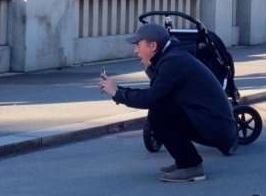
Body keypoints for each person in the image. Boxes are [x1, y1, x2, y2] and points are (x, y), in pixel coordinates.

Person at [99, 22, 238, 182]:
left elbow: (150, 98)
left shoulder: (174, 61)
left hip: (217, 127)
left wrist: (117, 93)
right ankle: (185, 162)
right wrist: (118, 89)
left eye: (138, 45)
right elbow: (159, 92)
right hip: (213, 122)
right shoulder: (172, 56)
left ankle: (190, 165)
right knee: (161, 108)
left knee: (159, 113)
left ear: (153, 46)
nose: (136, 50)